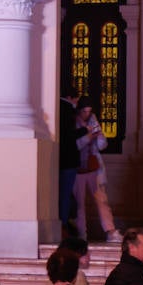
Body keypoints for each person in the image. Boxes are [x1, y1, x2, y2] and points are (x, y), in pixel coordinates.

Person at [72, 98, 122, 243]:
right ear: (79, 111)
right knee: (79, 204)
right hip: (79, 168)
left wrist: (99, 136)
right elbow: (74, 145)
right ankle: (81, 235)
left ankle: (110, 231)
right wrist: (88, 137)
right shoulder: (73, 122)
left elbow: (102, 145)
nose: (87, 114)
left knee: (102, 200)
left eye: (89, 111)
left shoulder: (93, 120)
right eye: (84, 111)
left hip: (94, 167)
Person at [59, 86, 86, 235]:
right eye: (76, 99)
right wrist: (85, 130)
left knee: (63, 193)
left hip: (59, 159)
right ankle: (63, 225)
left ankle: (64, 223)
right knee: (66, 193)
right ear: (70, 98)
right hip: (68, 159)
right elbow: (69, 136)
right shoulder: (68, 110)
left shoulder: (56, 107)